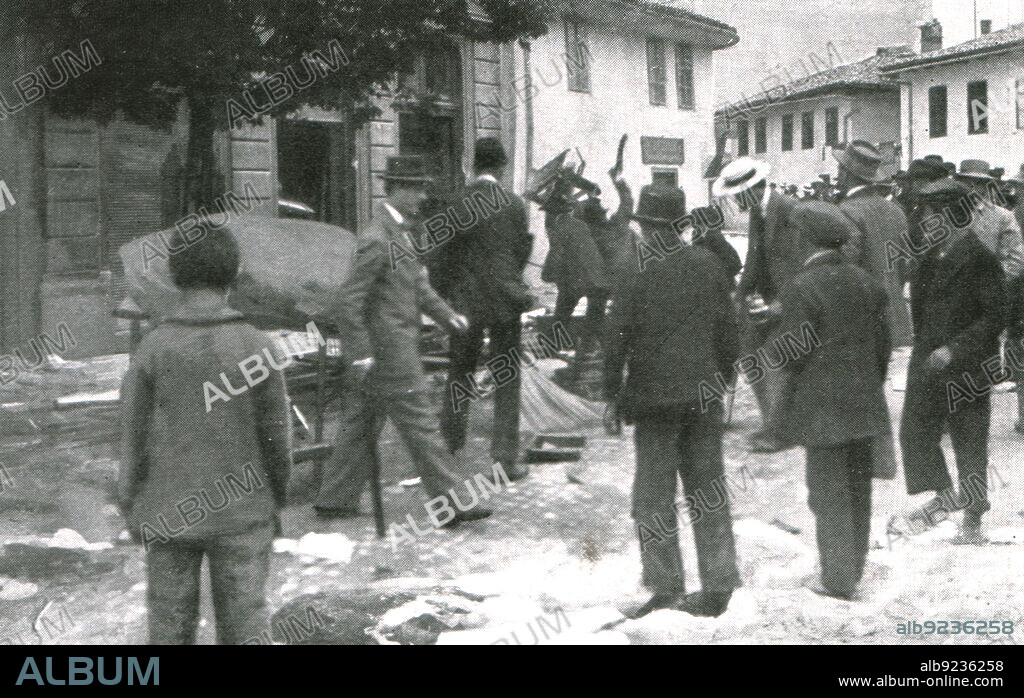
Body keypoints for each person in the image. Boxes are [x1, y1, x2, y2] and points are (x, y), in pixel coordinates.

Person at [119, 226, 292, 644]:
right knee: (246, 624)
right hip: (243, 511)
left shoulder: (153, 347)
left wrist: (130, 500)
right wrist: (275, 497)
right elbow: (277, 438)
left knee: (169, 625)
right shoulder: (256, 345)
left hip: (168, 513)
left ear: (175, 275)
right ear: (234, 273)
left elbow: (132, 436)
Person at [315, 156, 491, 525]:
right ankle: (452, 503)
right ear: (395, 189)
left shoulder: (400, 233)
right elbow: (348, 301)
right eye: (416, 189)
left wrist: (448, 315)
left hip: (388, 351)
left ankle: (334, 498)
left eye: (423, 188)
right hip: (389, 353)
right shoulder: (377, 239)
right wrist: (361, 354)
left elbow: (418, 286)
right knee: (422, 424)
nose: (423, 196)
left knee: (361, 423)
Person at [604, 184, 741, 619]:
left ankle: (665, 588)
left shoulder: (633, 267)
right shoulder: (709, 264)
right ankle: (719, 585)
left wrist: (611, 393)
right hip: (703, 394)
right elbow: (729, 330)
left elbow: (616, 337)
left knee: (653, 496)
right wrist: (723, 377)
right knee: (708, 491)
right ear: (681, 226)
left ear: (646, 227)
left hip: (654, 399)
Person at [764, 201, 892, 601]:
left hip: (823, 408)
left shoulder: (802, 286)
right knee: (858, 489)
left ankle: (836, 579)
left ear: (805, 239)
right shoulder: (868, 282)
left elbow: (793, 351)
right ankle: (852, 567)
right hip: (865, 402)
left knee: (827, 492)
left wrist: (771, 334)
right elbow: (883, 346)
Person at [899, 179, 1005, 545]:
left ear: (951, 216)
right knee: (915, 430)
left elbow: (994, 318)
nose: (924, 222)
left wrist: (954, 349)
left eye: (931, 216)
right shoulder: (931, 256)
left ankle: (973, 515)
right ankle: (945, 495)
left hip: (968, 366)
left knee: (968, 439)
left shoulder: (980, 259)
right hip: (929, 359)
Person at [440, 138, 533, 482]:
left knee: (459, 372)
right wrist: (509, 283)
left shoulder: (455, 202)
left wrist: (447, 298)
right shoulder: (513, 204)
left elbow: (443, 257)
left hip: (465, 302)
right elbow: (520, 252)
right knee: (507, 378)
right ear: (502, 167)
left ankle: (449, 446)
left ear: (472, 166)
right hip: (505, 301)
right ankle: (504, 461)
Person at [712, 157, 804, 452]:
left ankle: (779, 433)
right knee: (749, 355)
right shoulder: (757, 212)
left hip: (791, 300)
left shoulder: (789, 209)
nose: (735, 201)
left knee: (774, 360)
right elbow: (753, 258)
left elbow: (798, 265)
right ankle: (772, 423)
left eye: (737, 195)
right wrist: (739, 296)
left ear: (751, 189)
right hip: (764, 299)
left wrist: (778, 306)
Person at [834, 140, 913, 347]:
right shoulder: (896, 211)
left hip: (861, 320)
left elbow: (846, 270)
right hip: (895, 317)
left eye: (840, 168)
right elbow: (904, 268)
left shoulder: (847, 211)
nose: (837, 174)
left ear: (846, 173)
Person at [953, 159, 1024, 279]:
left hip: (985, 285)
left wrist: (992, 282)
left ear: (985, 186)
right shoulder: (948, 213)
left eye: (978, 183)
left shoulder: (1002, 217)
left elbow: (1016, 258)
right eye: (966, 183)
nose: (971, 188)